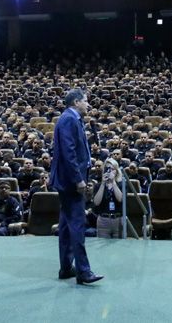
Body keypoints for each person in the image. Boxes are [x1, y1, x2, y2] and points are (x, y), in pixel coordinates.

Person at [50, 88, 102, 284]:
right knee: (77, 224)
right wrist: (78, 179)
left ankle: (65, 268)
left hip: (67, 180)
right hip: (70, 182)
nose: (88, 104)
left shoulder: (71, 119)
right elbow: (68, 152)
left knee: (65, 225)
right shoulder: (69, 119)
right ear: (75, 102)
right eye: (86, 101)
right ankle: (83, 271)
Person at [92, 159, 124, 239]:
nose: (109, 171)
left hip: (118, 220)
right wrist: (103, 183)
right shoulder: (98, 186)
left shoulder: (121, 184)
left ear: (116, 171)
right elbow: (96, 202)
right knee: (103, 247)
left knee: (118, 248)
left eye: (112, 169)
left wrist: (113, 182)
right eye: (107, 169)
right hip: (103, 220)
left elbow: (120, 199)